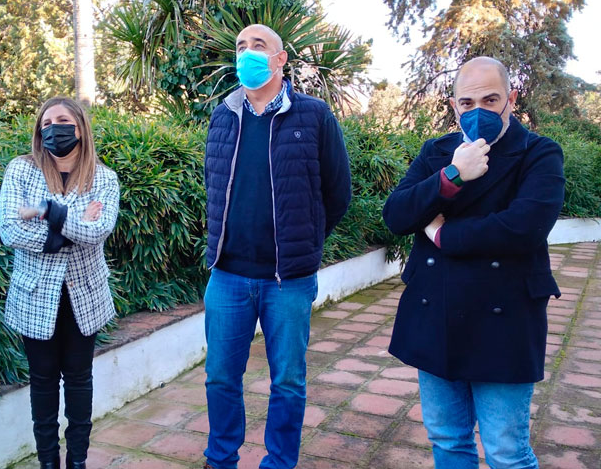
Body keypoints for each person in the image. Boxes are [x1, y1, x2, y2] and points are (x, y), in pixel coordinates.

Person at [382, 56, 565, 469]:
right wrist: (452, 175)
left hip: (504, 318)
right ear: (454, 105)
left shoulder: (539, 153)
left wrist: (444, 235)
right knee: (447, 440)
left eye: (490, 99)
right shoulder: (438, 152)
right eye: (467, 103)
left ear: (511, 99)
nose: (477, 111)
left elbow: (524, 227)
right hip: (436, 312)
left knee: (506, 451)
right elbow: (396, 215)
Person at [202, 24, 351, 469]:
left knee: (287, 382)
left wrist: (306, 241)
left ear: (280, 58)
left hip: (288, 281)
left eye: (258, 45)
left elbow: (338, 193)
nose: (247, 53)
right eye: (240, 46)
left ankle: (280, 462)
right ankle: (220, 459)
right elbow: (214, 186)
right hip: (227, 275)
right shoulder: (223, 115)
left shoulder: (314, 115)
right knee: (220, 377)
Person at [0, 96, 119, 469]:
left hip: (86, 296)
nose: (54, 129)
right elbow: (10, 230)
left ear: (80, 127)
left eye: (63, 121)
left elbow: (99, 231)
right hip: (35, 297)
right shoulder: (21, 170)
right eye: (46, 123)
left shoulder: (104, 177)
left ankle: (77, 462)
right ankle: (48, 462)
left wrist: (49, 213)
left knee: (80, 381)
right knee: (43, 381)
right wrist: (70, 223)